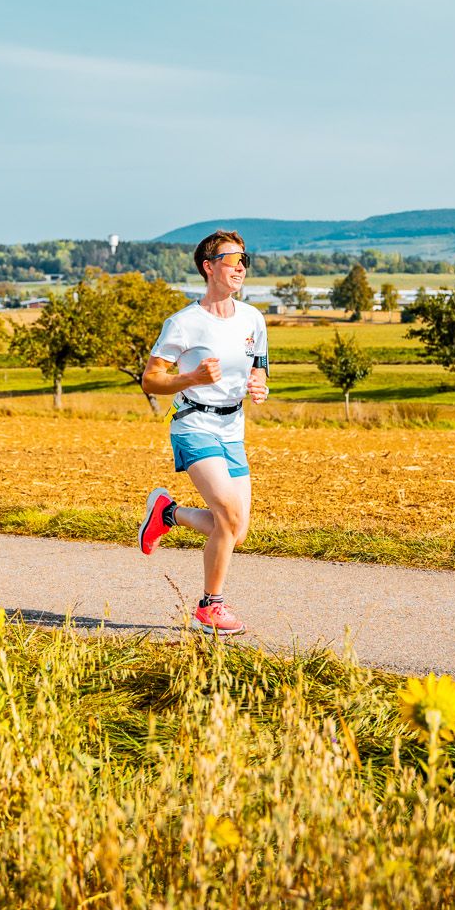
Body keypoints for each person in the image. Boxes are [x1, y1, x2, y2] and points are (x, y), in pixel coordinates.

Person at [136, 230, 270, 637]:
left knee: (236, 530)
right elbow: (150, 380)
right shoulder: (184, 323)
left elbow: (259, 365)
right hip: (194, 423)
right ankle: (210, 607)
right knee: (228, 518)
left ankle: (167, 513)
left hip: (233, 427)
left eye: (245, 259)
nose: (241, 266)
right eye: (233, 259)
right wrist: (190, 377)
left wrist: (259, 384)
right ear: (209, 267)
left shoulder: (253, 319)